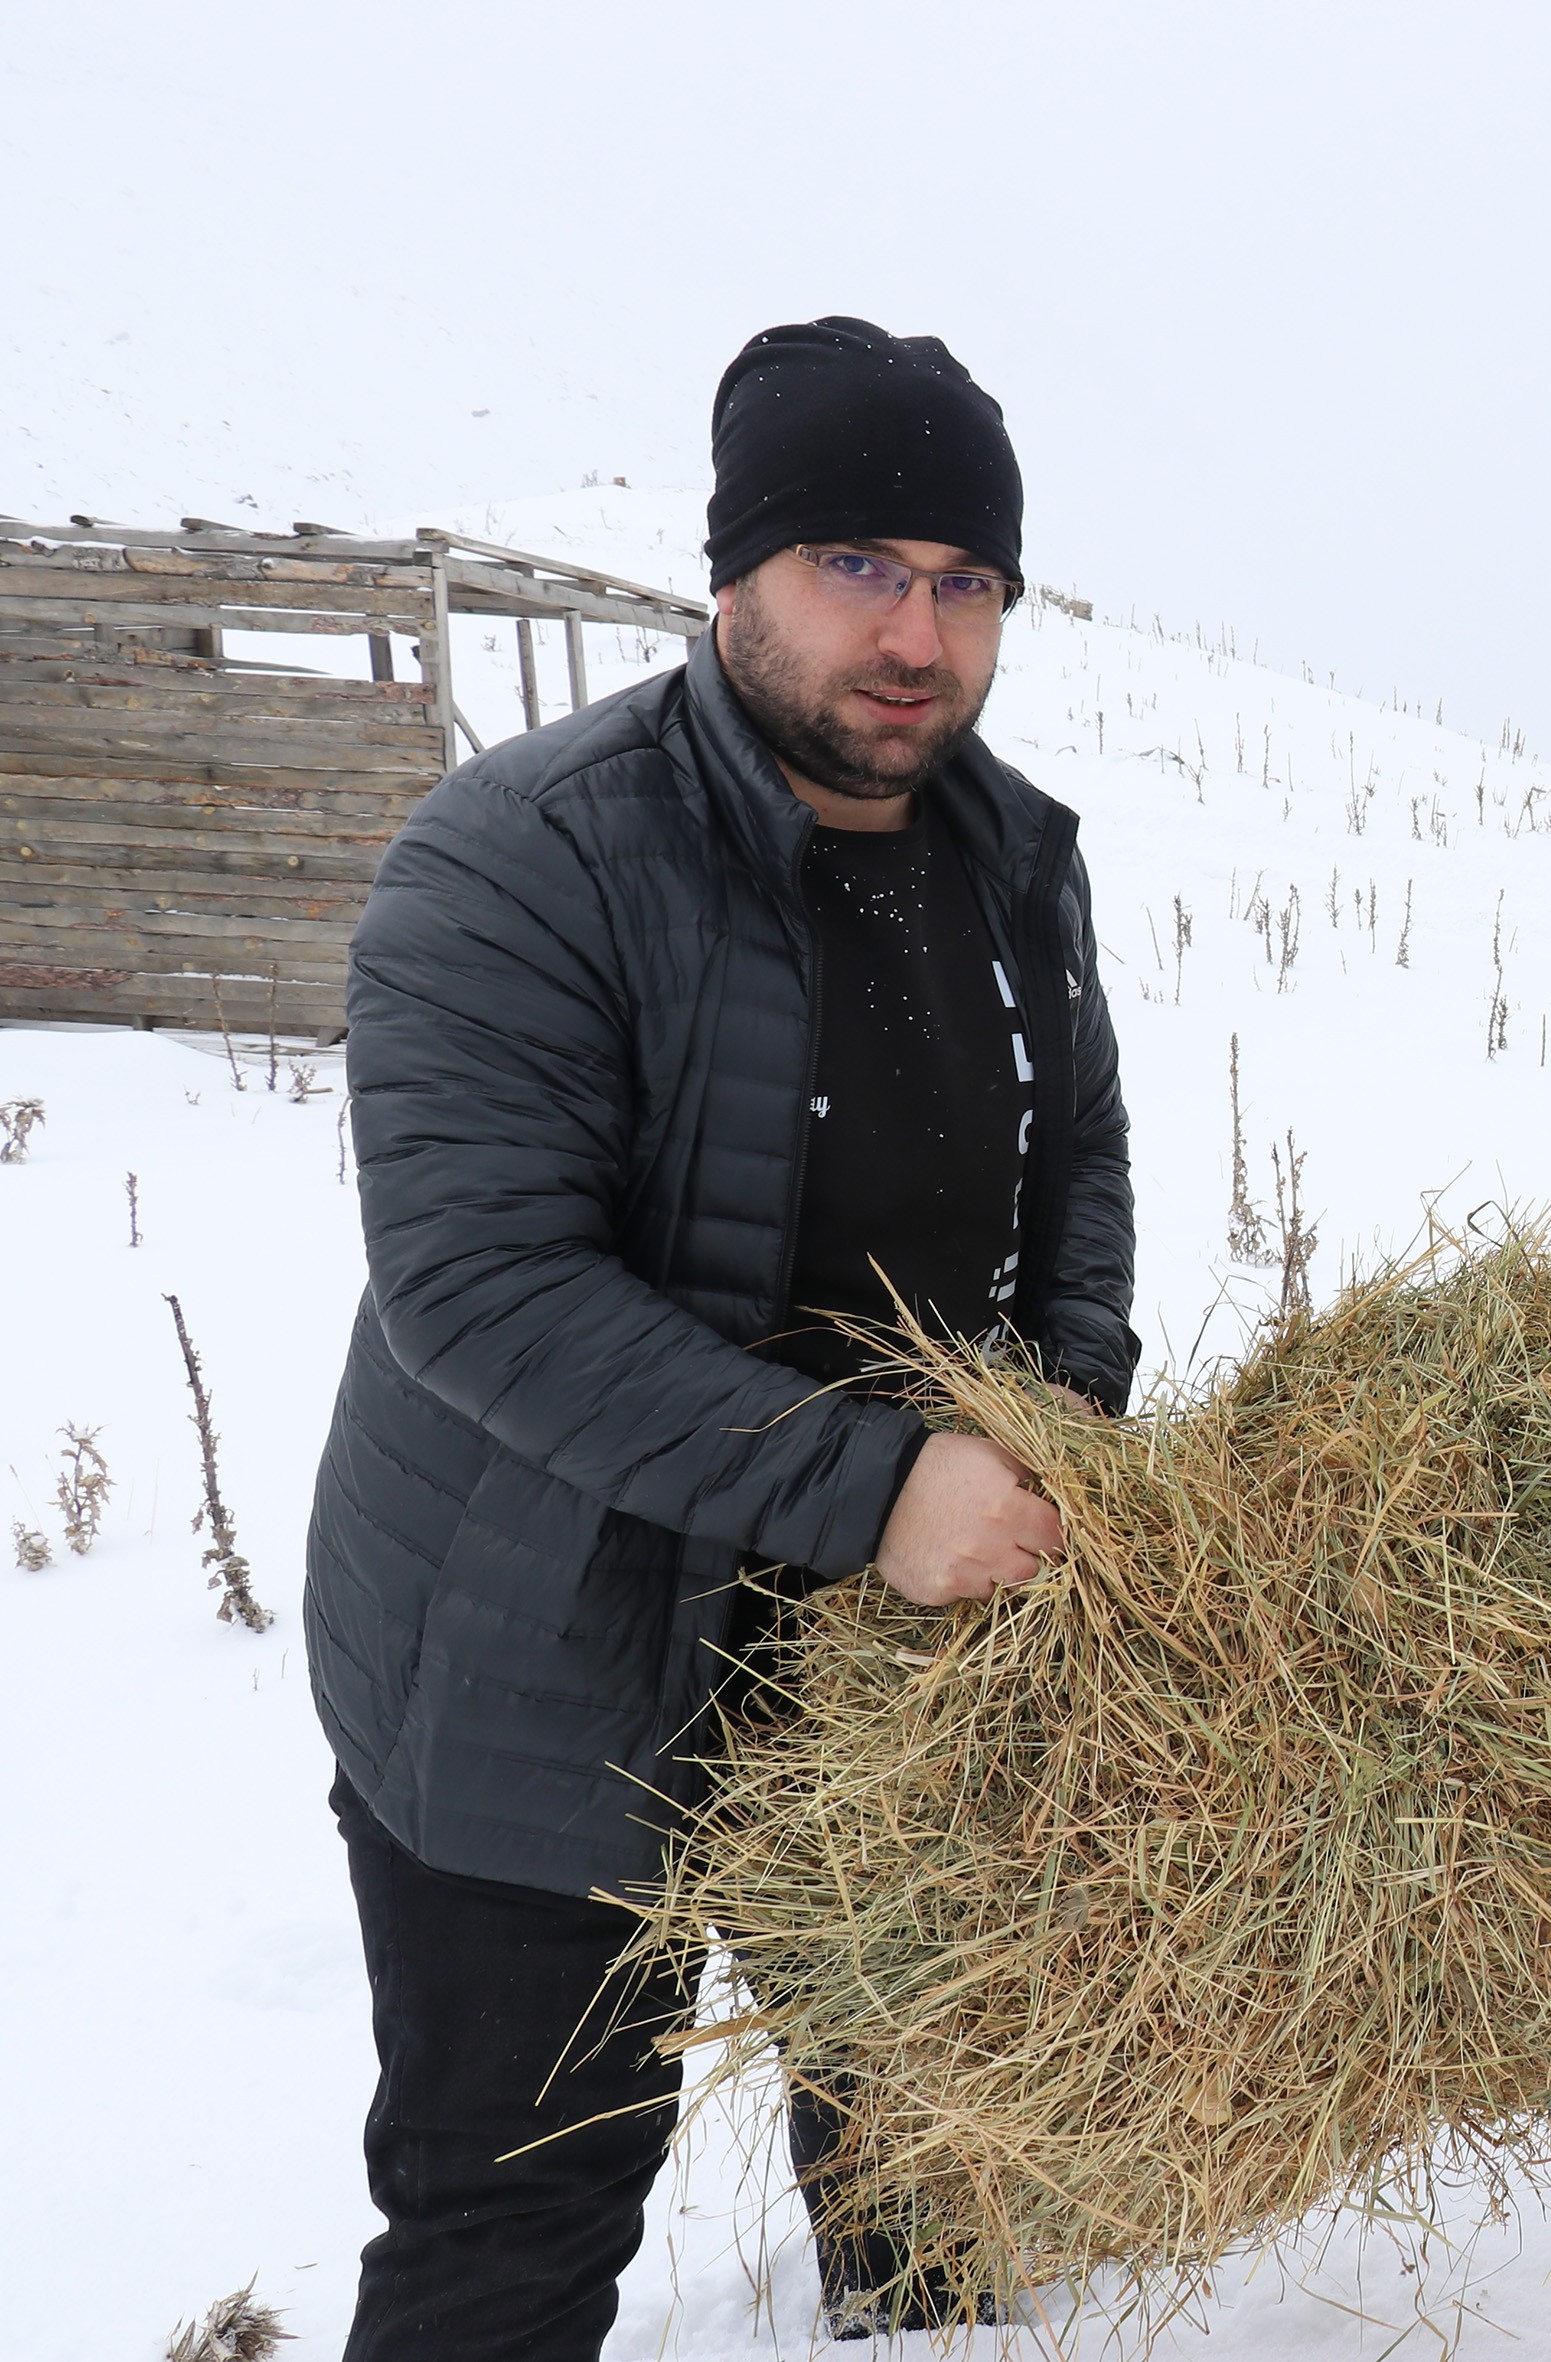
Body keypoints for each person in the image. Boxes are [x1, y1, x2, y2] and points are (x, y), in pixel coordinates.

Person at [306, 317, 1138, 2355]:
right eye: (857, 563)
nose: (917, 635)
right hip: (542, 1669)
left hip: (885, 1674)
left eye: (966, 581)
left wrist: (1062, 1419)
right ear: (733, 573)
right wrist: (884, 1486)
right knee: (514, 2226)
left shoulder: (1016, 858)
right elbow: (479, 1285)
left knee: (927, 2160)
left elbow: (1081, 1170)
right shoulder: (525, 856)